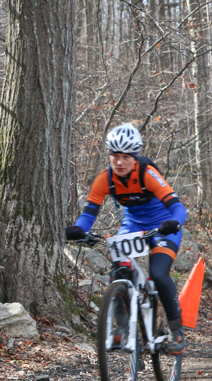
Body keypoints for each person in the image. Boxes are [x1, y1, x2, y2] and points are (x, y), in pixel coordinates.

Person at [65, 123, 188, 354]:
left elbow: (178, 207)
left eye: (125, 157)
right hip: (132, 227)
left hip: (163, 227)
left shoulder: (147, 173)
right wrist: (79, 230)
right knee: (118, 272)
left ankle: (176, 329)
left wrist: (175, 223)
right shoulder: (105, 179)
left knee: (159, 275)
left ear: (135, 157)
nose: (119, 162)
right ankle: (121, 328)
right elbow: (89, 213)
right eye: (115, 157)